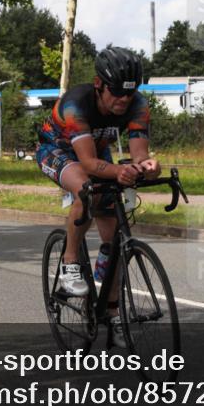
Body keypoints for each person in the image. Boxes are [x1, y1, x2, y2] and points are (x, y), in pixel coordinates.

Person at [36, 47, 161, 348]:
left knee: (116, 240)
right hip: (58, 150)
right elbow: (90, 166)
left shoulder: (138, 105)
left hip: (96, 150)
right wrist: (119, 171)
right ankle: (69, 262)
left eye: (129, 95)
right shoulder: (76, 105)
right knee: (85, 188)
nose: (123, 100)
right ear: (98, 84)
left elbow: (139, 154)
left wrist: (148, 167)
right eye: (116, 93)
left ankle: (112, 310)